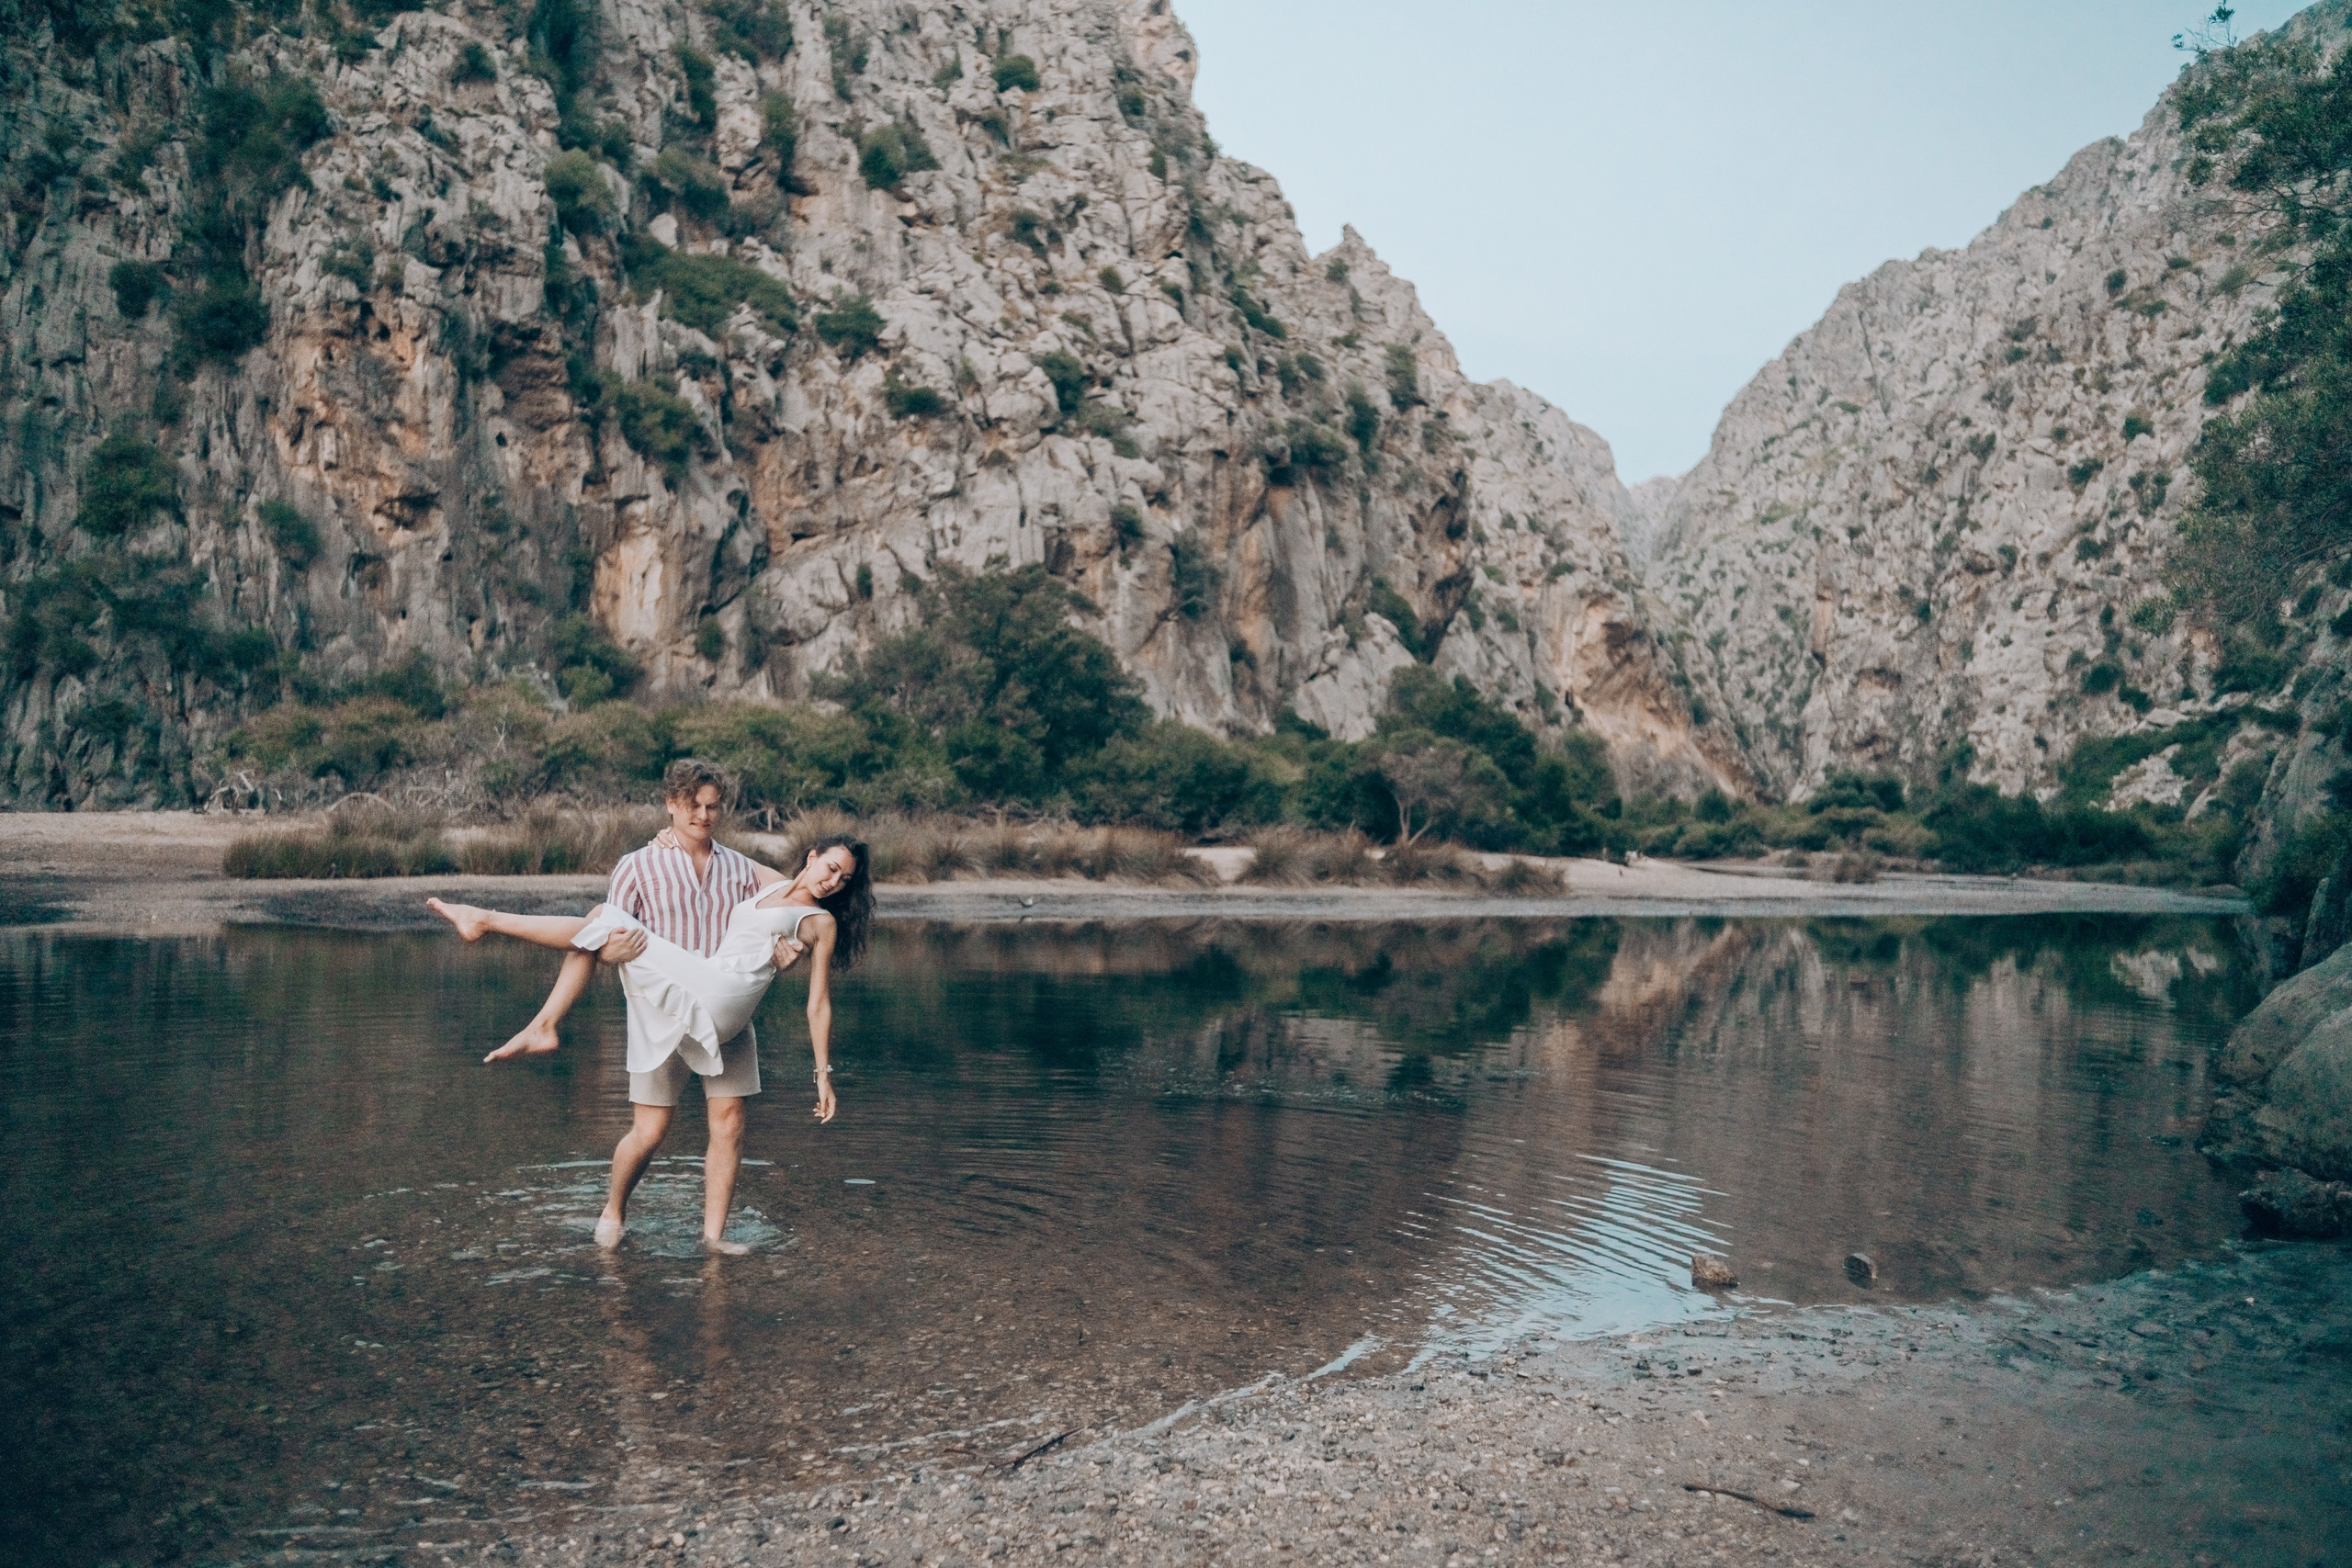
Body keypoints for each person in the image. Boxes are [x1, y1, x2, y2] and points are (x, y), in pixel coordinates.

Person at [425, 760, 873, 1252]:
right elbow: (602, 946)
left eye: (712, 807)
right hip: (665, 1005)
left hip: (722, 1003)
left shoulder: (764, 883)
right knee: (649, 1129)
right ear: (672, 805)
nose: (704, 816)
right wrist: (613, 950)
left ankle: (491, 932)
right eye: (694, 806)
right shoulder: (661, 866)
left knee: (729, 1124)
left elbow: (809, 979)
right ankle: (614, 1209)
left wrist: (820, 1065)